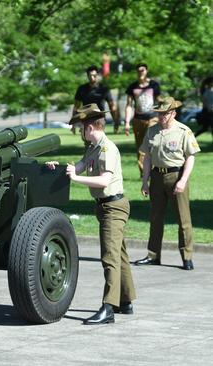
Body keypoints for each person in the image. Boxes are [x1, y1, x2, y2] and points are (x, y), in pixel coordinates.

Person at [47, 104, 136, 325]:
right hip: (105, 206)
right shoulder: (93, 148)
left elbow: (104, 180)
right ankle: (125, 301)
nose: (80, 132)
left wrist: (76, 179)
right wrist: (58, 168)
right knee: (120, 255)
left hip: (114, 207)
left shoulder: (107, 149)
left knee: (110, 258)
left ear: (89, 127)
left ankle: (109, 308)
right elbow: (76, 167)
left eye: (81, 128)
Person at [133, 97, 200, 270]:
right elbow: (147, 157)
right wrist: (145, 181)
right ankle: (153, 255)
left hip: (175, 176)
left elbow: (190, 157)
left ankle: (187, 257)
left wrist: (183, 180)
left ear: (173, 113)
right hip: (156, 177)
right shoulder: (152, 131)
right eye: (159, 113)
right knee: (155, 218)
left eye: (165, 113)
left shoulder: (183, 131)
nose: (161, 116)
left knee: (183, 219)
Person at [124, 63, 161, 176]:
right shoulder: (132, 87)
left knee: (152, 143)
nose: (141, 72)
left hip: (152, 117)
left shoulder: (154, 85)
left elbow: (159, 99)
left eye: (143, 70)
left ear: (146, 71)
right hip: (138, 119)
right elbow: (129, 105)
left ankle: (155, 170)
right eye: (139, 70)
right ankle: (144, 173)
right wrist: (126, 122)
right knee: (140, 147)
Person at [72, 65, 120, 133]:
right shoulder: (81, 89)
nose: (92, 77)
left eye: (94, 75)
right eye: (90, 75)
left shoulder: (104, 89)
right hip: (86, 119)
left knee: (98, 139)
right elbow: (76, 107)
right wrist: (73, 124)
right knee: (87, 141)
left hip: (100, 119)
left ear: (97, 75)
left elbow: (112, 106)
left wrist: (116, 122)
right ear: (87, 76)